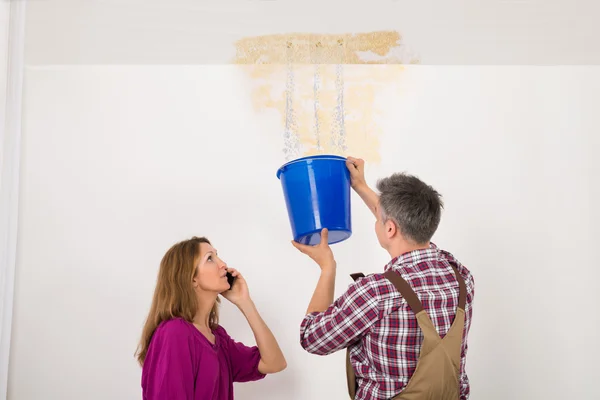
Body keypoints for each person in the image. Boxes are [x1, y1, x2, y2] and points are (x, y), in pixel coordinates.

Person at [292, 156, 475, 400]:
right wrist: (360, 186)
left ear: (390, 229)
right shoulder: (460, 276)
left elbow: (312, 338)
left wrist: (328, 268)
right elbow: (404, 225)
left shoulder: (377, 293)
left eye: (379, 218)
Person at [136, 236, 287, 399]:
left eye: (217, 255)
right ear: (191, 278)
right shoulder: (175, 332)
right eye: (210, 258)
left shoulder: (218, 337)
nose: (223, 264)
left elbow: (274, 363)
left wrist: (245, 302)